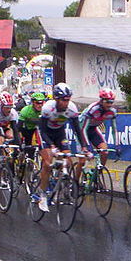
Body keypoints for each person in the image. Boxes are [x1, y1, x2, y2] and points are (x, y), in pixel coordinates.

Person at [36, 83, 90, 212]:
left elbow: (78, 129)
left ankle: (61, 183)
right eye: (63, 100)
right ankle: (42, 194)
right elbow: (42, 131)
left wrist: (84, 146)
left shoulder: (72, 109)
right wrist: (52, 146)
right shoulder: (48, 108)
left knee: (68, 161)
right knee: (48, 163)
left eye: (68, 100)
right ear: (56, 98)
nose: (66, 103)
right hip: (45, 135)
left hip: (60, 133)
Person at [79, 89, 119, 170]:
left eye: (111, 102)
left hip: (93, 129)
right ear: (101, 101)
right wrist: (87, 146)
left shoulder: (112, 111)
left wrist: (117, 146)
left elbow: (114, 130)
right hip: (81, 130)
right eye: (107, 102)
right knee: (83, 160)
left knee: (104, 152)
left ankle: (98, 174)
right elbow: (83, 129)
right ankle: (76, 181)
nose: (109, 105)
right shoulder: (93, 109)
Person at [17, 91, 45, 158]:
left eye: (42, 103)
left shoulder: (45, 110)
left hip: (38, 129)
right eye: (37, 103)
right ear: (32, 102)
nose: (40, 105)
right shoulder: (25, 110)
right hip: (26, 129)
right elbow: (18, 127)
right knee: (27, 147)